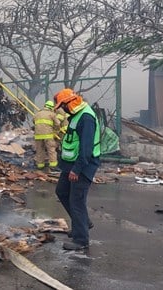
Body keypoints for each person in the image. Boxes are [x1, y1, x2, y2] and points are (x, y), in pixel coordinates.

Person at [53, 89, 100, 251]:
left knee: (77, 200)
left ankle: (81, 240)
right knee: (62, 191)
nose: (62, 109)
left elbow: (86, 148)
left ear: (69, 103)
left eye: (62, 106)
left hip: (82, 165)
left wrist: (77, 169)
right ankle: (83, 223)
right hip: (71, 164)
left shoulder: (86, 118)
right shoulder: (76, 115)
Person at [33, 100, 60, 171]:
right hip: (48, 135)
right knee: (51, 150)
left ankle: (40, 165)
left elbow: (34, 121)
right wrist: (55, 132)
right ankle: (53, 166)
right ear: (51, 108)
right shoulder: (52, 114)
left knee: (39, 150)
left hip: (38, 135)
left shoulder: (37, 114)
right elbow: (58, 123)